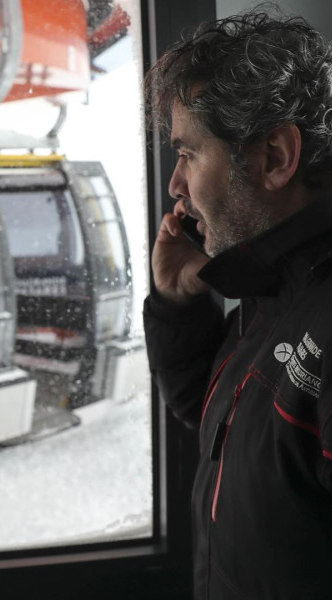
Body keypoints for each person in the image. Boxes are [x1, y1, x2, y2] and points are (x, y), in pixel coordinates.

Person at [143, 8, 332, 600]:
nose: (175, 186)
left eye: (189, 154)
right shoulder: (270, 289)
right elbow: (228, 427)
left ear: (275, 157)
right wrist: (178, 306)